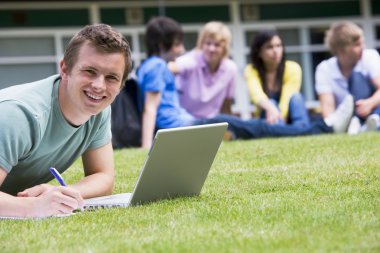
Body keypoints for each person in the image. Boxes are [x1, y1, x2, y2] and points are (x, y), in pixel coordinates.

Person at [0, 24, 132, 218]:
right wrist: (34, 207)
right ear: (65, 68)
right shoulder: (19, 115)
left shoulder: (98, 110)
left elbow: (103, 177)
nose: (98, 86)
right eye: (89, 71)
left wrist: (63, 193)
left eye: (111, 77)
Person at [315, 21, 380, 134]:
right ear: (342, 50)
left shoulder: (370, 56)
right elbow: (327, 108)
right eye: (357, 45)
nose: (362, 48)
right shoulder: (324, 69)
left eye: (362, 43)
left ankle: (368, 122)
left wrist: (370, 103)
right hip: (346, 122)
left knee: (357, 76)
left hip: (373, 111)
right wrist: (334, 124)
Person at [169, 21, 238, 118]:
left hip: (212, 121)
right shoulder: (191, 61)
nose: (211, 49)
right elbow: (169, 68)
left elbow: (226, 104)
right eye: (208, 43)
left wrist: (228, 128)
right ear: (201, 44)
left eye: (217, 45)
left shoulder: (230, 69)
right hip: (185, 120)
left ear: (225, 48)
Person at [245, 30, 309, 128]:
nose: (276, 51)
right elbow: (257, 96)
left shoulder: (293, 68)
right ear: (259, 52)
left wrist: (280, 117)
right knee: (271, 102)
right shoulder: (251, 70)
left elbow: (288, 96)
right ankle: (284, 129)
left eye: (279, 46)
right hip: (268, 119)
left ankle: (301, 127)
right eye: (269, 47)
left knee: (297, 97)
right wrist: (271, 108)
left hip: (288, 117)